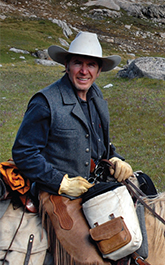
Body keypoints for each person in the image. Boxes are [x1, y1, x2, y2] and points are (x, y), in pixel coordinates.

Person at [12, 31, 133, 198]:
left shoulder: (96, 96)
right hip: (56, 192)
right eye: (78, 63)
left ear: (98, 71)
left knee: (143, 189)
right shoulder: (45, 102)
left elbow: (98, 142)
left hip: (95, 182)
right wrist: (61, 183)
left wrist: (115, 158)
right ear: (67, 66)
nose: (84, 71)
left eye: (91, 65)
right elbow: (23, 152)